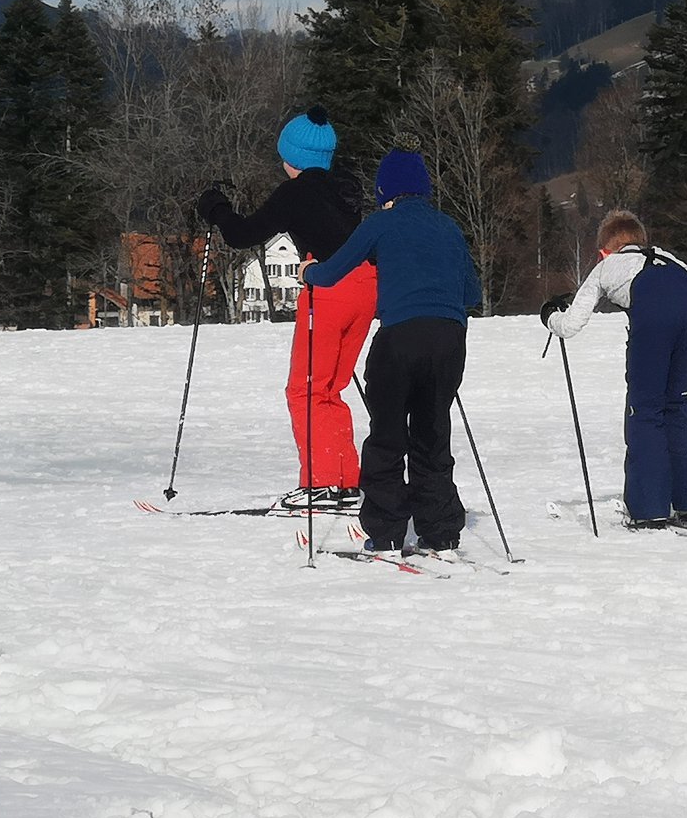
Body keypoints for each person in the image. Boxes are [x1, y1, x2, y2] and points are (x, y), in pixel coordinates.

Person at [301, 150, 483, 553]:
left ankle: (385, 531)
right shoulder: (449, 227)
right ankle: (440, 530)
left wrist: (307, 272)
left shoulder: (380, 224)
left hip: (400, 337)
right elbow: (473, 293)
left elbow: (331, 273)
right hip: (449, 339)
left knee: (387, 435)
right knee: (432, 432)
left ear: (385, 191)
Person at [197, 108, 372, 511]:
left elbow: (243, 235)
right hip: (366, 287)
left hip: (328, 286)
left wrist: (216, 209)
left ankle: (325, 484)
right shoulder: (346, 186)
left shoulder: (295, 192)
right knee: (330, 387)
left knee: (307, 388)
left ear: (292, 156)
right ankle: (344, 481)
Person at [542, 210, 687, 530]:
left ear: (605, 249)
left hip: (654, 315)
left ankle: (648, 508)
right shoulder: (670, 259)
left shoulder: (606, 266)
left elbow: (570, 325)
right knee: (683, 402)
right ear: (641, 240)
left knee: (645, 408)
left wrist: (550, 315)